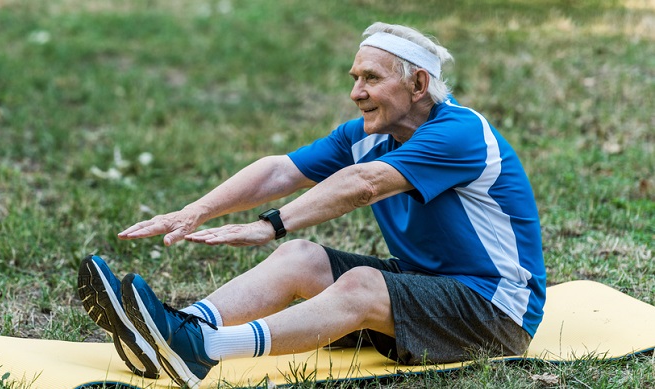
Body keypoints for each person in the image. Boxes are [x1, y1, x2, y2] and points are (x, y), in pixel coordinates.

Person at [78, 22, 546, 388]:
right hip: (428, 291)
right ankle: (171, 333)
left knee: (362, 283)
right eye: (355, 78)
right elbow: (280, 170)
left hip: (497, 313)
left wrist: (270, 225)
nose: (355, 92)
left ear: (419, 84)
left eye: (371, 79)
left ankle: (205, 347)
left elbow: (364, 185)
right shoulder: (367, 136)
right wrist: (195, 210)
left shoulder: (459, 133)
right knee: (300, 257)